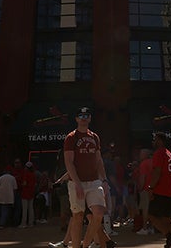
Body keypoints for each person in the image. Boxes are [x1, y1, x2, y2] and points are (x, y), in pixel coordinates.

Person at [63, 106, 116, 248]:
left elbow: (98, 160)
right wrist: (77, 183)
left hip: (94, 181)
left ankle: (85, 244)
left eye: (86, 116)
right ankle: (75, 245)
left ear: (90, 118)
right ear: (76, 119)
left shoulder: (94, 137)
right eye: (80, 116)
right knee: (78, 217)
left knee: (98, 212)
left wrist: (104, 180)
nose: (83, 118)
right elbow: (69, 162)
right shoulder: (71, 137)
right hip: (77, 182)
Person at [145, 132, 171, 248]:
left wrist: (151, 188)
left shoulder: (159, 153)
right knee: (166, 217)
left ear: (160, 141)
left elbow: (157, 172)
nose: (153, 142)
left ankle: (170, 237)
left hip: (160, 189)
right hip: (169, 190)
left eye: (155, 139)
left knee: (151, 215)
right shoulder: (169, 153)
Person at [19, 161, 37, 227]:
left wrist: (21, 185)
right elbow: (35, 184)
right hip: (31, 192)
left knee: (24, 209)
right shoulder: (33, 175)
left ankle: (23, 223)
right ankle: (31, 223)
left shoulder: (25, 174)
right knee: (31, 208)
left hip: (25, 192)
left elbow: (24, 183)